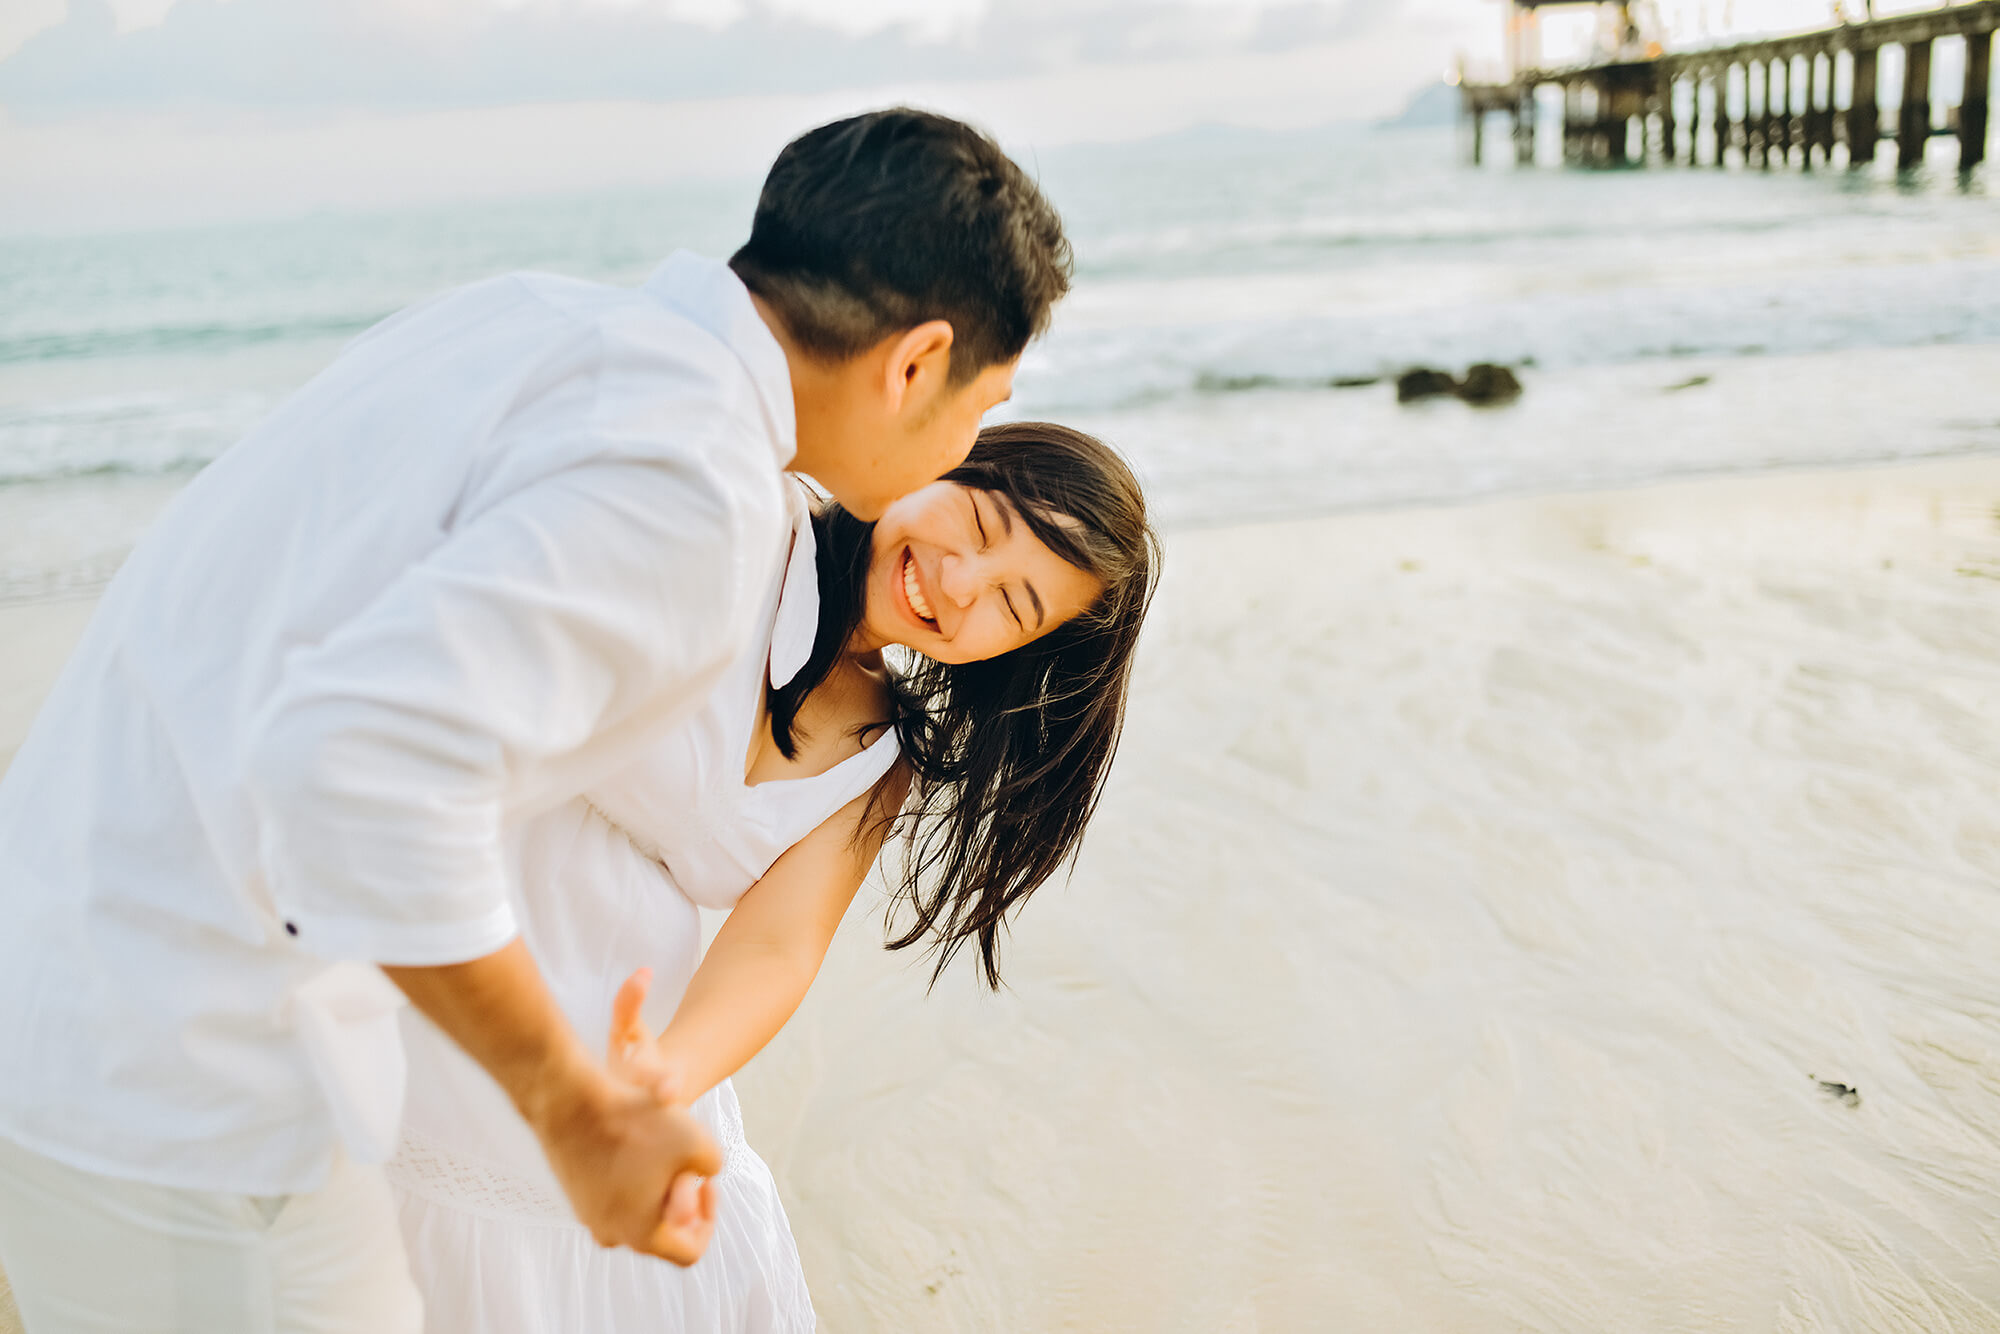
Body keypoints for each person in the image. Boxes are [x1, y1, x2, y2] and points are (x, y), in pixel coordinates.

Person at [0, 108, 1070, 1333]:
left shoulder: (530, 316)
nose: (968, 444)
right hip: (183, 1061)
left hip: (137, 978)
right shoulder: (693, 483)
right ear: (915, 361)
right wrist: (570, 1105)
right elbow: (360, 771)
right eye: (983, 403)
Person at [386, 422, 1160, 1331]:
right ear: (945, 458)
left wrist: (659, 1079)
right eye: (982, 525)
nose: (957, 583)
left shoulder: (877, 755)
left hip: (629, 1043)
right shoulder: (738, 522)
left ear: (1016, 653)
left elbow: (777, 947)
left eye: (1011, 604)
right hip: (449, 979)